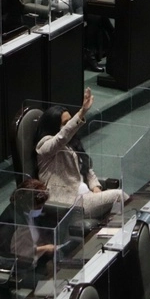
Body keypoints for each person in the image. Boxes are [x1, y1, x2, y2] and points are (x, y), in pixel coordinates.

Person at [35, 88, 126, 220]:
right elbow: (62, 137)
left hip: (87, 196)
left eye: (69, 121)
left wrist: (96, 187)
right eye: (65, 123)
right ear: (54, 126)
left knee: (117, 209)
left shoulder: (72, 143)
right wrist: (82, 112)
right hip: (70, 204)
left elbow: (86, 168)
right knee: (120, 196)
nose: (69, 126)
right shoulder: (44, 147)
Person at [0, 178, 56, 286]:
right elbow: (20, 256)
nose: (41, 209)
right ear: (27, 203)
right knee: (55, 285)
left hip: (35, 260)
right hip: (20, 272)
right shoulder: (15, 225)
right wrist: (45, 248)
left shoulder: (24, 211)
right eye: (38, 207)